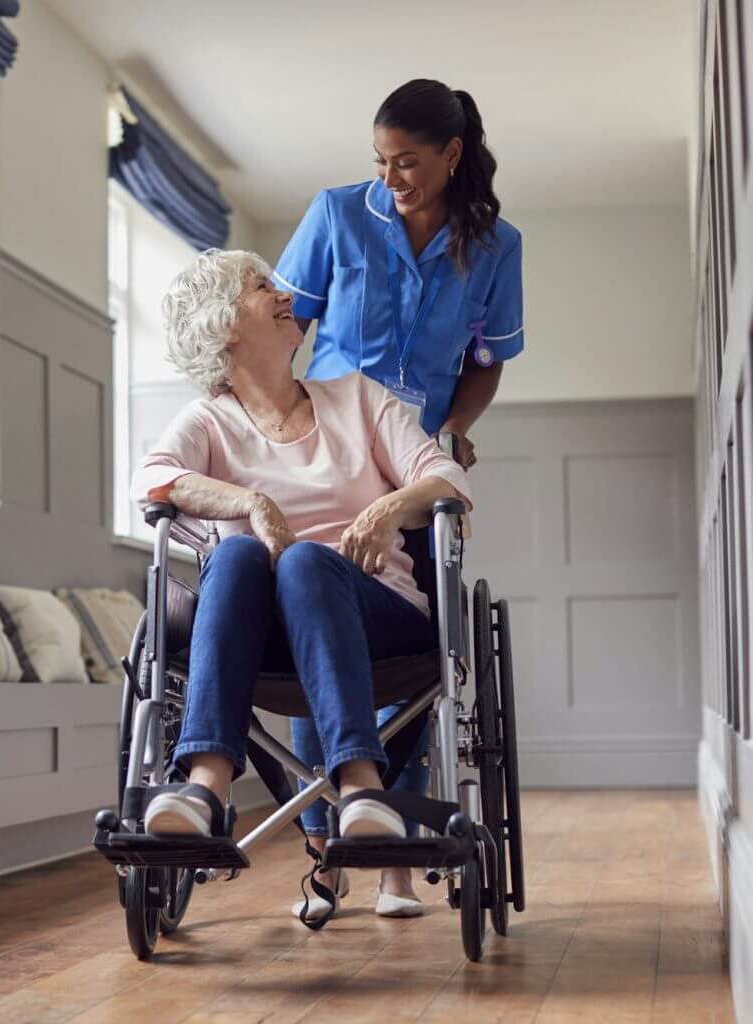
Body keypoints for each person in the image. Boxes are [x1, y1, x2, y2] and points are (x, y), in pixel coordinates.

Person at [130, 250, 471, 918]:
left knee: (307, 561)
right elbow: (150, 480)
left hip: (377, 613)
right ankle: (205, 786)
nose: (286, 294)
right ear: (224, 326)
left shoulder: (357, 398)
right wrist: (248, 502)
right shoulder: (208, 421)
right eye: (262, 288)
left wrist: (387, 509)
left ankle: (362, 788)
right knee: (233, 560)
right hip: (266, 640)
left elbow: (448, 478)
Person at [273, 78, 524, 915]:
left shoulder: (494, 247)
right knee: (321, 641)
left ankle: (392, 859)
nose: (392, 179)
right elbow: (283, 327)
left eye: (408, 162)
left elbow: (487, 359)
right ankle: (324, 845)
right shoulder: (338, 216)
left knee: (415, 655)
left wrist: (453, 428)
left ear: (452, 156)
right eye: (380, 163)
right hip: (331, 462)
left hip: (413, 472)